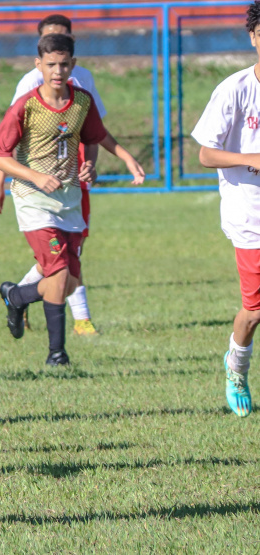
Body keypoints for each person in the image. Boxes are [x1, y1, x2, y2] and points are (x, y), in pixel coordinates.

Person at [0, 33, 145, 366]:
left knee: (71, 283)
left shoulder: (82, 101)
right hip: (33, 199)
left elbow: (95, 136)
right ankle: (57, 354)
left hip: (69, 198)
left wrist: (116, 159)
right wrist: (34, 176)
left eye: (63, 64)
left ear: (72, 64)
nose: (57, 71)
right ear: (39, 65)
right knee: (59, 276)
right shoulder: (27, 105)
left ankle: (16, 296)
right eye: (50, 65)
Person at [191, 0, 260, 418]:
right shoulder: (235, 89)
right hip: (251, 216)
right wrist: (251, 158)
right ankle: (237, 366)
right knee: (255, 312)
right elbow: (205, 153)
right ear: (253, 37)